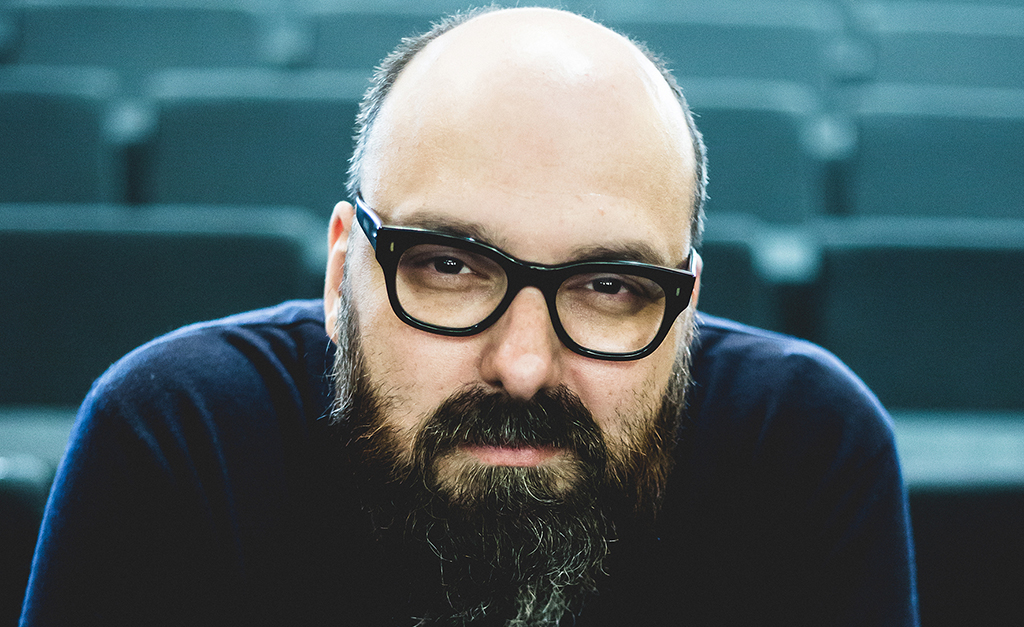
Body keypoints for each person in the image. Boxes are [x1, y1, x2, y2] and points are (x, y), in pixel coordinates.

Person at [20, 7, 918, 626]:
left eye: (611, 285)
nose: (522, 365)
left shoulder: (805, 448)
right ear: (340, 276)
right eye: (447, 267)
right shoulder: (180, 438)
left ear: (684, 310)